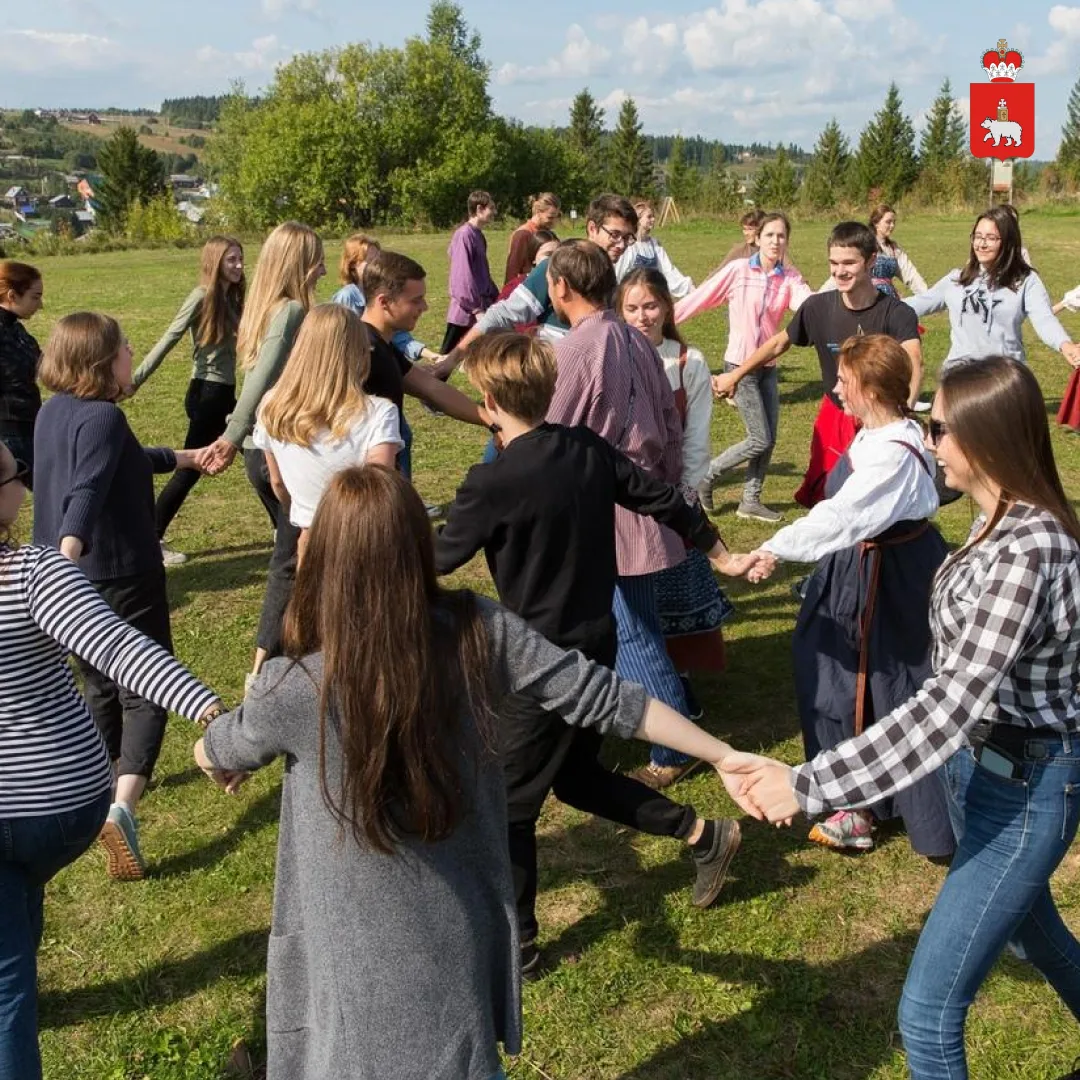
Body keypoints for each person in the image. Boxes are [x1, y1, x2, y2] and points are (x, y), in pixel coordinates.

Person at [195, 464, 753, 1080]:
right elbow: (602, 695)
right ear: (417, 547)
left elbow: (225, 745)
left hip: (344, 955)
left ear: (325, 555)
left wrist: (211, 752)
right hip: (459, 936)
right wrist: (721, 753)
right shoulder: (479, 631)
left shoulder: (293, 688)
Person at [724, 356, 1080, 1080]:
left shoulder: (1029, 549)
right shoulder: (994, 519)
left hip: (1025, 787)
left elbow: (949, 704)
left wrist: (813, 783)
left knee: (926, 1013)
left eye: (940, 426)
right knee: (1032, 939)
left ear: (983, 438)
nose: (929, 438)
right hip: (983, 771)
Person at [435, 333, 762, 971]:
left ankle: (519, 947)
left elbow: (439, 561)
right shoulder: (584, 449)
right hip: (597, 643)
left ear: (491, 398)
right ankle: (703, 834)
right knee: (575, 777)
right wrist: (722, 555)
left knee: (506, 801)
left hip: (538, 667)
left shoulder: (491, 482)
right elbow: (666, 499)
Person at [0, 439, 224, 1080]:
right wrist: (214, 716)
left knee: (8, 977)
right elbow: (125, 652)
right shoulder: (38, 573)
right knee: (14, 933)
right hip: (60, 809)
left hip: (34, 812)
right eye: (15, 471)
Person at [31, 313, 214, 881]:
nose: (132, 352)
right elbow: (86, 490)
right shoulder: (105, 417)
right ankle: (122, 808)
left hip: (69, 579)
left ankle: (92, 789)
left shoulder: (54, 412)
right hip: (117, 572)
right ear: (102, 362)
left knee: (98, 683)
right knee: (147, 686)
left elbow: (120, 461)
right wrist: (68, 553)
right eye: (124, 348)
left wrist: (183, 458)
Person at [756, 335, 953, 857]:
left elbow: (844, 516)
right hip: (865, 567)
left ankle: (869, 810)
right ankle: (858, 796)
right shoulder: (883, 432)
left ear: (868, 388)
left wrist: (775, 548)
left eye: (844, 380)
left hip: (887, 579)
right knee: (834, 672)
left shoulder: (893, 454)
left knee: (879, 684)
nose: (836, 387)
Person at [544, 239, 698, 789]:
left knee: (630, 630)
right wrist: (670, 485)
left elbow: (550, 431)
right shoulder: (635, 340)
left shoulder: (578, 349)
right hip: (645, 496)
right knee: (639, 621)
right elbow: (668, 418)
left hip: (612, 507)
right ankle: (653, 718)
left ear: (560, 287)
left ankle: (672, 745)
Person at [714, 221, 922, 509]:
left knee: (876, 497)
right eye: (834, 263)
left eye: (849, 263)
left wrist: (903, 414)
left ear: (871, 260)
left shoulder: (897, 313)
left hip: (878, 416)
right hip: (834, 416)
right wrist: (734, 375)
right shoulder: (818, 307)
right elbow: (778, 343)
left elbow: (914, 359)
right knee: (828, 494)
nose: (840, 271)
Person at [202, 221, 325, 681]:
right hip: (273, 453)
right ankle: (264, 669)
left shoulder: (262, 308)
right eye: (315, 259)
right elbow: (261, 378)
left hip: (265, 451)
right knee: (289, 561)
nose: (323, 269)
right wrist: (232, 436)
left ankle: (304, 644)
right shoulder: (291, 310)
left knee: (303, 554)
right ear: (297, 264)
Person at [617, 267, 732, 709]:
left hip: (672, 498)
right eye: (632, 308)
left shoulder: (688, 362)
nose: (642, 316)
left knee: (674, 595)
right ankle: (644, 683)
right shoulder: (612, 359)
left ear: (666, 307)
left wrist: (682, 500)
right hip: (623, 497)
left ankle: (677, 681)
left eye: (650, 306)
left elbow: (697, 438)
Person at [675, 212, 813, 520]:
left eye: (781, 236)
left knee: (769, 438)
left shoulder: (788, 279)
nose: (776, 241)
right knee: (759, 438)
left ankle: (750, 500)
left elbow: (809, 305)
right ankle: (707, 476)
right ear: (758, 238)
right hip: (739, 366)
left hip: (768, 367)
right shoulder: (738, 271)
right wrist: (664, 322)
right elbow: (701, 297)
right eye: (770, 235)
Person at [252, 303, 402, 558]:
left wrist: (300, 511)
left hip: (310, 539)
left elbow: (277, 482)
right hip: (365, 542)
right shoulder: (379, 413)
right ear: (357, 351)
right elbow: (379, 489)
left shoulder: (272, 405)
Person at [129, 236, 245, 565]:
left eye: (240, 259)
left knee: (257, 452)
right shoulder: (203, 296)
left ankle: (284, 526)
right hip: (208, 393)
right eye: (231, 260)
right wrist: (136, 379)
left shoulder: (230, 298)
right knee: (193, 465)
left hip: (222, 391)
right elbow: (170, 336)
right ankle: (150, 537)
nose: (238, 265)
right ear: (215, 262)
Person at [437, 194, 640, 378]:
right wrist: (451, 360)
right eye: (615, 234)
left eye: (628, 238)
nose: (621, 245)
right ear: (592, 228)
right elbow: (501, 315)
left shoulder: (617, 274)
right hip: (554, 382)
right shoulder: (558, 266)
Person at [905, 205, 1080, 371]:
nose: (981, 244)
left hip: (1005, 377)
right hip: (959, 378)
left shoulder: (1026, 281)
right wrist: (879, 302)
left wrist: (1065, 345)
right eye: (978, 236)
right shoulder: (956, 280)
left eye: (990, 238)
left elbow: (1044, 319)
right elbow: (916, 304)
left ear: (1008, 242)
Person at [819, 205, 927, 298]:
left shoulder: (894, 249)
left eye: (894, 222)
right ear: (876, 223)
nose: (892, 226)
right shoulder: (863, 245)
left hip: (888, 298)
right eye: (888, 222)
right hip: (864, 298)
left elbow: (910, 274)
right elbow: (843, 271)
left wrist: (927, 296)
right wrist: (817, 298)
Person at [0, 261, 43, 487]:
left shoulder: (15, 329)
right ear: (12, 295)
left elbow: (42, 364)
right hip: (10, 434)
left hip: (27, 427)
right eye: (35, 297)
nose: (41, 304)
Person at [443, 190, 499, 354]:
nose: (494, 212)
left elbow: (482, 273)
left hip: (480, 306)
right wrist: (476, 309)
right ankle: (424, 380)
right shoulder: (464, 235)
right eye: (491, 208)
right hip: (465, 311)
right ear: (479, 209)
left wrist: (496, 296)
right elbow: (462, 276)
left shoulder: (478, 235)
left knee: (483, 355)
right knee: (447, 357)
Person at [614, 199, 693, 299]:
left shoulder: (654, 245)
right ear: (639, 220)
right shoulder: (629, 246)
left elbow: (668, 271)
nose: (653, 219)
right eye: (649, 217)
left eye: (653, 216)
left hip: (652, 296)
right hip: (632, 297)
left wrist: (688, 287)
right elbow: (618, 275)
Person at [504, 192, 561, 284]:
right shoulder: (523, 234)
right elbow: (512, 270)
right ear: (538, 212)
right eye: (550, 217)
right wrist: (508, 294)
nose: (554, 222)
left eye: (556, 217)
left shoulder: (548, 233)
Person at [495, 228, 559, 306]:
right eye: (548, 254)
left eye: (558, 254)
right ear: (534, 257)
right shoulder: (515, 287)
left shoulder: (566, 285)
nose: (553, 259)